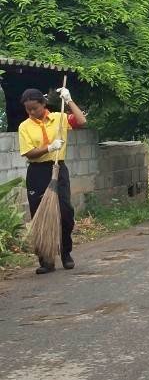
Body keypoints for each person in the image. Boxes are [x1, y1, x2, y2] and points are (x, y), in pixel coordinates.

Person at [18, 85, 87, 274]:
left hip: (58, 169)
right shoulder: (24, 126)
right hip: (37, 172)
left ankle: (66, 253)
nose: (31, 112)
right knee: (39, 215)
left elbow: (81, 121)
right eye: (28, 109)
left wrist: (69, 100)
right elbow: (29, 153)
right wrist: (49, 148)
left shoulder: (59, 118)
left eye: (35, 108)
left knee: (65, 212)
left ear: (43, 103)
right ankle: (46, 260)